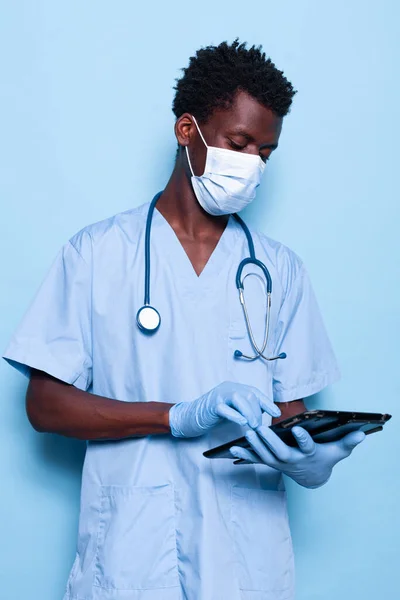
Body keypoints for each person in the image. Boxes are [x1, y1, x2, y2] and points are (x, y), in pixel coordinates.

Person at [3, 39, 365, 600]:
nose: (250, 166)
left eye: (264, 154)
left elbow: (291, 415)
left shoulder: (278, 271)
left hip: (245, 560)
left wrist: (311, 462)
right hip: (130, 553)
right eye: (238, 143)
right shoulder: (97, 254)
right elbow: (44, 405)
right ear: (187, 130)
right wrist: (177, 416)